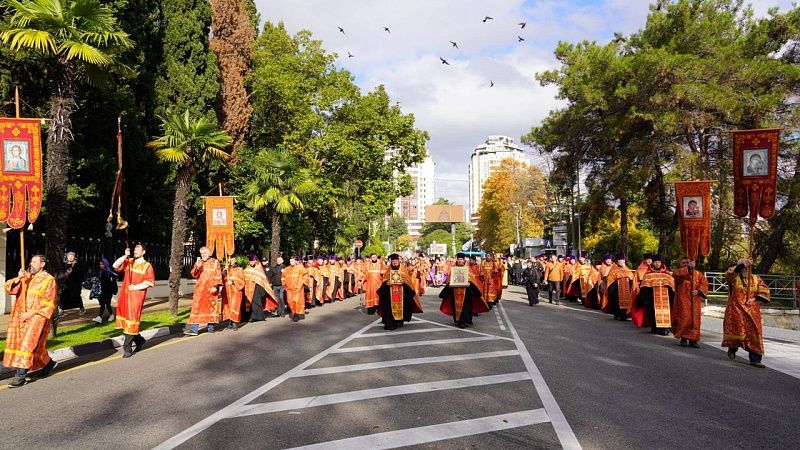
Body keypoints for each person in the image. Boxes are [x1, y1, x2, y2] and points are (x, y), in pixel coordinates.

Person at [4, 255, 58, 387]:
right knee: (31, 346)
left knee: (26, 344)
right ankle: (49, 363)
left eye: (34, 262)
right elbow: (9, 288)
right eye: (31, 261)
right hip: (20, 316)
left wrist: (30, 313)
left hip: (36, 317)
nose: (31, 264)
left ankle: (20, 376)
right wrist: (19, 278)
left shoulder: (49, 280)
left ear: (42, 264)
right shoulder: (26, 277)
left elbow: (49, 303)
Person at [723, 258, 770, 368]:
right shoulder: (734, 278)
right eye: (743, 267)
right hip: (736, 310)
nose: (746, 269)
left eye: (748, 267)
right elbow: (728, 275)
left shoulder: (757, 278)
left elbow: (765, 291)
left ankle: (755, 359)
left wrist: (754, 299)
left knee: (754, 333)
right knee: (738, 332)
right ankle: (733, 348)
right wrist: (742, 264)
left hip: (752, 312)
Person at [113, 244, 155, 358]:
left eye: (138, 249)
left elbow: (149, 282)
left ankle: (127, 348)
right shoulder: (129, 261)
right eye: (134, 249)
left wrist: (135, 287)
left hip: (136, 297)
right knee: (126, 321)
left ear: (144, 252)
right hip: (125, 296)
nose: (135, 251)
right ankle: (139, 340)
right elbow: (115, 265)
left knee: (132, 319)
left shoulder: (147, 266)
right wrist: (124, 256)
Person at [439, 253, 489, 327]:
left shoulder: (468, 269)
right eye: (458, 259)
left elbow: (472, 279)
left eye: (461, 259)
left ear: (464, 260)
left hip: (466, 292)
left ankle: (463, 321)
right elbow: (449, 280)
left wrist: (470, 283)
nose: (459, 261)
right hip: (455, 291)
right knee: (455, 306)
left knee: (466, 307)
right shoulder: (453, 269)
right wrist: (449, 284)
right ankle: (458, 320)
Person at [377, 254, 423, 330]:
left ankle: (399, 321)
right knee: (388, 307)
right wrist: (387, 283)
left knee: (402, 306)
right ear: (391, 262)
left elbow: (408, 282)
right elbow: (384, 281)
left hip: (402, 293)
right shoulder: (388, 271)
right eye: (393, 262)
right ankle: (390, 323)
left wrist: (403, 283)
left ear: (398, 262)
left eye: (396, 261)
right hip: (390, 294)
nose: (395, 263)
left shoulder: (403, 271)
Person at [671, 257, 708, 348]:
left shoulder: (699, 274)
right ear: (680, 264)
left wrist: (698, 291)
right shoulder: (678, 273)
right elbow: (676, 275)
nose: (686, 264)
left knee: (695, 320)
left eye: (688, 262)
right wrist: (688, 268)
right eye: (684, 263)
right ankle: (684, 338)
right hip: (682, 299)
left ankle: (693, 340)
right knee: (684, 318)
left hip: (695, 301)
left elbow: (704, 284)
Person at [186, 247, 224, 335]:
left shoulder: (215, 262)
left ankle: (211, 327)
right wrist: (197, 267)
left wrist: (215, 286)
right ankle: (194, 329)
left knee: (211, 308)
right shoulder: (199, 262)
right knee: (196, 308)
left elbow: (218, 275)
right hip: (200, 289)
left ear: (209, 253)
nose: (203, 255)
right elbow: (194, 274)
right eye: (201, 253)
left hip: (211, 290)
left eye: (205, 253)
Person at [635, 255, 675, 335]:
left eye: (658, 262)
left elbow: (672, 286)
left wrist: (672, 297)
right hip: (652, 298)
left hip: (665, 299)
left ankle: (665, 329)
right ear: (653, 263)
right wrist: (645, 299)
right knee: (653, 313)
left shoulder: (666, 273)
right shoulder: (648, 274)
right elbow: (645, 287)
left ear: (661, 263)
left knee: (666, 313)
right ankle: (654, 329)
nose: (657, 264)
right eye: (655, 262)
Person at [603, 254, 635, 321]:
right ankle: (617, 314)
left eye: (624, 260)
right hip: (616, 290)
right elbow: (610, 279)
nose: (623, 262)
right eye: (621, 260)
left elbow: (631, 277)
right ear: (617, 261)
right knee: (616, 302)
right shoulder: (613, 269)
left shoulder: (627, 269)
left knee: (627, 301)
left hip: (626, 290)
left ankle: (625, 315)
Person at [243, 254, 271, 322]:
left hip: (257, 288)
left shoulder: (259, 268)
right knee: (249, 302)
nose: (251, 262)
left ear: (256, 261)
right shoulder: (247, 268)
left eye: (253, 261)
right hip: (248, 287)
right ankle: (249, 316)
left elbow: (262, 278)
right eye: (250, 261)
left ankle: (256, 316)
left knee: (256, 302)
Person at [91, 258, 118, 324]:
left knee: (107, 304)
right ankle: (102, 316)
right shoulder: (100, 272)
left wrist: (114, 291)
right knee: (103, 304)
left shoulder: (109, 272)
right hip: (102, 291)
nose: (101, 266)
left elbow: (113, 282)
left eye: (102, 264)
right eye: (100, 264)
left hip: (108, 291)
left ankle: (107, 315)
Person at [282, 256, 309, 322]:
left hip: (298, 289)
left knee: (297, 302)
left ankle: (296, 315)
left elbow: (305, 275)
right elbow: (283, 277)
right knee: (290, 302)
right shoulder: (287, 269)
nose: (291, 262)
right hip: (289, 289)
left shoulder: (300, 268)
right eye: (290, 261)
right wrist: (284, 284)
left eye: (293, 261)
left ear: (295, 261)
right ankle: (293, 312)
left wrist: (302, 283)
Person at [222, 259, 245, 330]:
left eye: (232, 260)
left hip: (236, 291)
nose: (231, 261)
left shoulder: (239, 269)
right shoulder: (227, 269)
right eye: (230, 260)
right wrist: (225, 270)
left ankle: (234, 323)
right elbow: (223, 278)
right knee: (228, 307)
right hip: (227, 291)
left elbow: (242, 281)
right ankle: (230, 323)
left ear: (235, 261)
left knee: (235, 307)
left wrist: (233, 282)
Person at [60, 251, 86, 316]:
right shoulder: (64, 264)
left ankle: (82, 308)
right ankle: (61, 310)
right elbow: (61, 273)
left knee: (76, 295)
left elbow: (81, 274)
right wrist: (66, 274)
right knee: (63, 296)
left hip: (75, 283)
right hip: (66, 283)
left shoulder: (78, 265)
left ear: (74, 257)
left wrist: (73, 273)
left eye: (72, 256)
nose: (70, 257)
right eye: (69, 256)